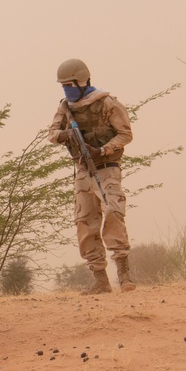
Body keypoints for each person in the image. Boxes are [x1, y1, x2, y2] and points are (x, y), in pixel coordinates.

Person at [48, 58, 136, 294]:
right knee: (84, 222)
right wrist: (68, 135)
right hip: (83, 171)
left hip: (107, 167)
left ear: (82, 81)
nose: (67, 89)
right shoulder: (65, 107)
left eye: (70, 84)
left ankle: (124, 274)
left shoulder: (107, 103)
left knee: (113, 212)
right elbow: (52, 133)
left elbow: (125, 134)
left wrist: (103, 149)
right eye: (63, 85)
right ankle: (100, 279)